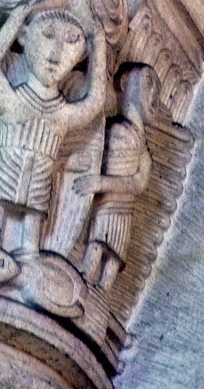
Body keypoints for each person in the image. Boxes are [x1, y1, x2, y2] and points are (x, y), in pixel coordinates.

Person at [0, 2, 106, 279]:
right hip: (7, 167)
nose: (56, 53)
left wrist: (100, 45)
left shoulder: (62, 114)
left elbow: (96, 100)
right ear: (24, 37)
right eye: (47, 35)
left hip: (41, 176)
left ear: (83, 55)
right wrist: (15, 18)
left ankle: (29, 258)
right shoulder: (13, 101)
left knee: (34, 220)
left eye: (71, 42)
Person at [73, 64, 159, 292]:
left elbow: (139, 184)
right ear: (123, 84)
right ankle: (83, 280)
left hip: (124, 211)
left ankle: (100, 294)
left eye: (157, 90)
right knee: (95, 245)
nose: (153, 95)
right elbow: (90, 156)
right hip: (103, 206)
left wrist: (102, 182)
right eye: (148, 83)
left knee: (113, 257)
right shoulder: (110, 130)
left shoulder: (144, 151)